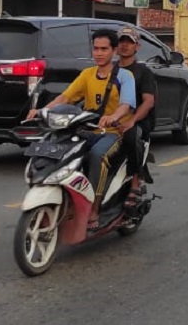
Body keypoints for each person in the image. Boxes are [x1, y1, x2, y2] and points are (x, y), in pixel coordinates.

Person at [29, 28, 136, 227]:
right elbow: (66, 97)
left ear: (114, 51)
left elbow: (126, 105)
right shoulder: (87, 74)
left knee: (97, 155)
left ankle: (94, 208)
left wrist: (113, 117)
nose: (99, 53)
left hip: (112, 134)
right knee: (60, 146)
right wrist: (42, 110)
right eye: (95, 49)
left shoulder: (125, 76)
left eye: (104, 49)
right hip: (87, 130)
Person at [115, 26, 156, 194]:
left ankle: (135, 179)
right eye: (121, 41)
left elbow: (148, 102)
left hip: (138, 120)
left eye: (129, 42)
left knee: (130, 137)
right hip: (111, 117)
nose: (124, 45)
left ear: (137, 47)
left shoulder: (143, 72)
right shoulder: (109, 69)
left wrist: (132, 120)